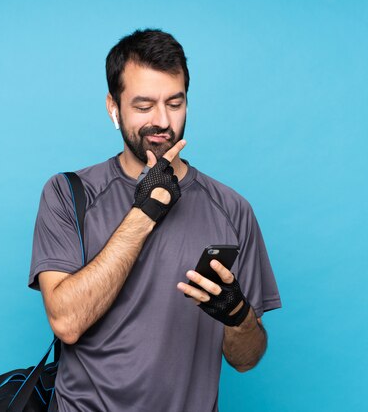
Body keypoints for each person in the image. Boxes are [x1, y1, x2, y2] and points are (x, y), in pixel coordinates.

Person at [29, 29, 282, 412]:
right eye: (144, 105)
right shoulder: (68, 194)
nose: (162, 120)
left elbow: (246, 358)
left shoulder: (231, 208)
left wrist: (238, 315)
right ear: (113, 108)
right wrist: (146, 210)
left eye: (175, 103)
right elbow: (66, 322)